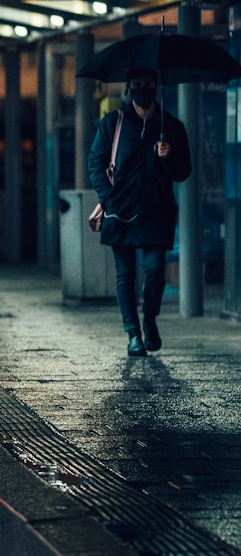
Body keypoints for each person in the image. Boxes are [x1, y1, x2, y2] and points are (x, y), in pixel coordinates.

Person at [88, 67, 192, 357]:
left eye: (146, 84)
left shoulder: (171, 126)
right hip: (120, 211)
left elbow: (184, 172)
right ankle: (133, 333)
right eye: (136, 85)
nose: (141, 89)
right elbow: (95, 163)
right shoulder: (114, 123)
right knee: (125, 274)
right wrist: (108, 198)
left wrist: (169, 156)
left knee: (155, 270)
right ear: (128, 89)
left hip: (157, 211)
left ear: (156, 87)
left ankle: (150, 320)